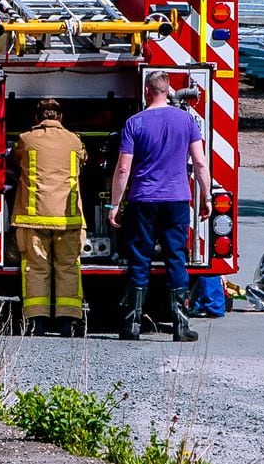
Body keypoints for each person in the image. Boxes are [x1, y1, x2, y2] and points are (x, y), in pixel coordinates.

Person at [108, 71, 212, 342]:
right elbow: (200, 163)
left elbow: (122, 169)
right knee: (175, 256)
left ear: (146, 91)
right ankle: (180, 326)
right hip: (176, 199)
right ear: (168, 91)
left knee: (139, 258)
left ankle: (132, 326)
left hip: (143, 200)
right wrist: (207, 197)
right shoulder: (187, 120)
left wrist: (115, 204)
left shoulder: (134, 123)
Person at [9, 99, 88, 338]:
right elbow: (84, 159)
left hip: (34, 218)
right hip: (67, 218)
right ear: (60, 117)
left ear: (37, 118)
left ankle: (36, 322)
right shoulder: (74, 140)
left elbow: (14, 159)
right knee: (68, 267)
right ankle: (68, 321)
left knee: (35, 268)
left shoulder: (26, 140)